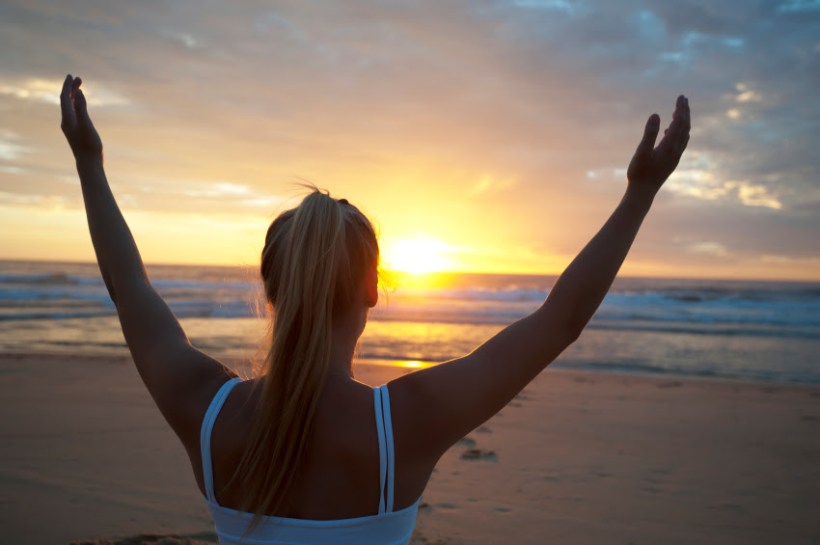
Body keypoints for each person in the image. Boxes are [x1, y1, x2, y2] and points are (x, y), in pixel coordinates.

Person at [60, 73, 690, 544]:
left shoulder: (206, 408)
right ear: (371, 290)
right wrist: (639, 193)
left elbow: (128, 288)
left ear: (271, 286)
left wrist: (90, 164)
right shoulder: (404, 425)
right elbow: (560, 320)